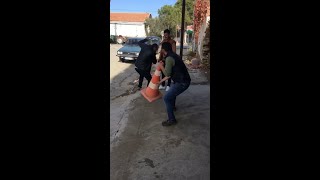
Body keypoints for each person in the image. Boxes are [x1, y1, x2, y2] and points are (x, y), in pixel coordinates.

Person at [156, 42, 191, 126]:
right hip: (183, 80)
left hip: (182, 82)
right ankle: (173, 107)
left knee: (167, 98)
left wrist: (161, 67)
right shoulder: (173, 55)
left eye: (161, 49)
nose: (160, 50)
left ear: (163, 50)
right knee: (172, 92)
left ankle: (171, 120)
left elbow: (167, 74)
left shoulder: (169, 58)